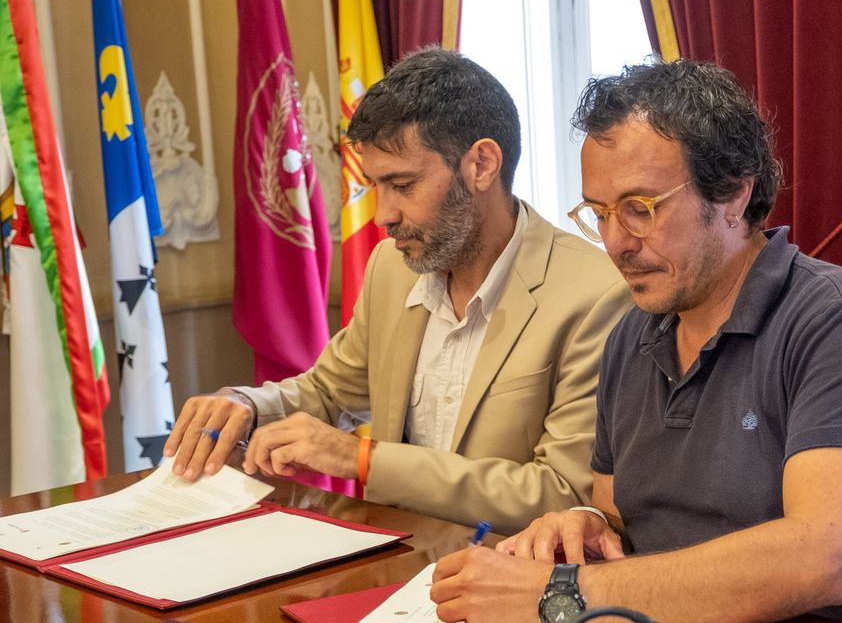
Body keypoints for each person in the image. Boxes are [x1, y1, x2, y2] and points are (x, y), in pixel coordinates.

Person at [429, 59, 842, 623]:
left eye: (640, 209)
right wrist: (586, 524)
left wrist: (565, 596)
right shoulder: (632, 332)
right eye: (599, 213)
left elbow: (819, 560)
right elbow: (622, 513)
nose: (616, 243)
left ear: (734, 194)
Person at [163, 48, 630, 533]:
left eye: (403, 185)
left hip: (511, 578)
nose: (383, 214)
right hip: (393, 562)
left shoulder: (596, 294)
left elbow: (563, 495)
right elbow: (329, 392)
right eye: (376, 186)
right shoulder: (392, 266)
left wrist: (362, 460)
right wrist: (246, 404)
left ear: (482, 164)